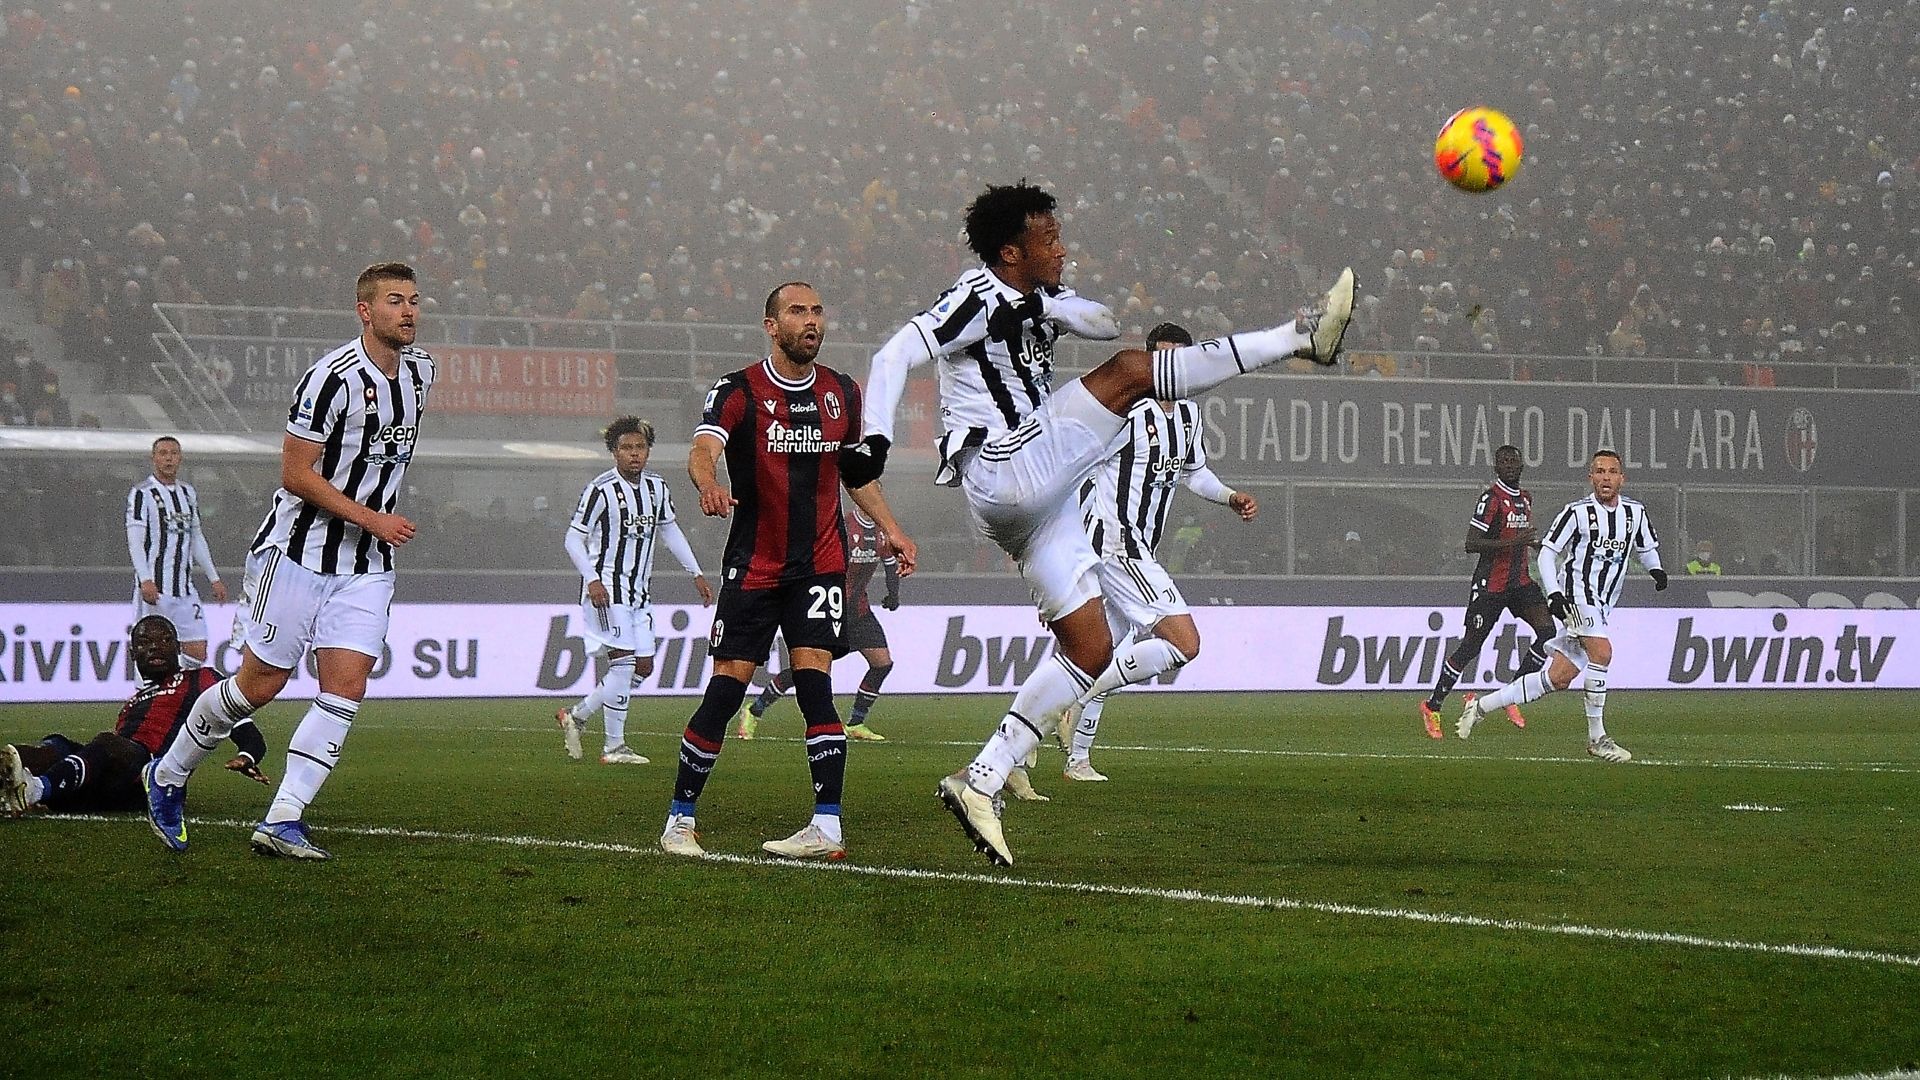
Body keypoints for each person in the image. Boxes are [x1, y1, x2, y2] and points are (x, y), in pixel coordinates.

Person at [859, 181, 1353, 865]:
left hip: (1040, 501)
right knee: (1129, 373)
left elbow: (1100, 319)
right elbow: (892, 357)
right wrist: (873, 443)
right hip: (1002, 465)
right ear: (1009, 250)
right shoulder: (974, 297)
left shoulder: (1034, 298)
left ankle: (981, 780)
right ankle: (1300, 336)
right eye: (1049, 240)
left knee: (1089, 650)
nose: (1062, 249)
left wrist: (1055, 304)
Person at [143, 262, 435, 860]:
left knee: (347, 684)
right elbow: (294, 473)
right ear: (365, 311)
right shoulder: (329, 378)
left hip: (367, 563)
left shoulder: (422, 372)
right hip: (297, 552)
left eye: (413, 301)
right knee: (260, 684)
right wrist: (371, 516)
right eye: (394, 301)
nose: (408, 311)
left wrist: (375, 526)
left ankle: (282, 818)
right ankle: (168, 776)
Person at [659, 282, 916, 862]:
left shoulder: (841, 393)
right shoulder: (738, 389)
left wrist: (893, 528)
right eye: (797, 312)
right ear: (771, 325)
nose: (811, 321)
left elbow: (856, 475)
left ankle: (827, 827)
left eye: (818, 311)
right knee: (726, 691)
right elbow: (703, 450)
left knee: (815, 684)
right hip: (753, 565)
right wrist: (709, 484)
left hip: (820, 564)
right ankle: (680, 819)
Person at [1051, 321, 1259, 784]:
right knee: (1185, 644)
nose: (1170, 368)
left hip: (1138, 545)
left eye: (1178, 359)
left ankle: (1072, 760)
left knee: (1099, 652)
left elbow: (1194, 473)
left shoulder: (1187, 415)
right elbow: (1072, 468)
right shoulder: (1126, 413)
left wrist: (1229, 496)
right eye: (1162, 357)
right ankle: (1080, 699)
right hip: (1114, 543)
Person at [1456, 449, 1666, 762]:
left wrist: (1657, 570)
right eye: (1599, 471)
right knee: (1602, 653)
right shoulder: (1577, 512)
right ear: (1590, 477)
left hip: (1604, 602)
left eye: (1611, 472)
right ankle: (1598, 738)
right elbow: (1547, 552)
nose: (1605, 477)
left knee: (1557, 678)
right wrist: (1553, 593)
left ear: (1622, 478)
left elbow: (1646, 548)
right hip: (1577, 595)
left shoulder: (1635, 513)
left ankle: (1480, 707)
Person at [554, 416, 713, 764]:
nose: (634, 454)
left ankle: (583, 719)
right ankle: (608, 742)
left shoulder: (657, 489)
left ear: (648, 451)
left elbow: (670, 532)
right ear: (614, 452)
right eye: (626, 448)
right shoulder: (601, 489)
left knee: (643, 666)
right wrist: (592, 578)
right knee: (624, 664)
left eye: (639, 447)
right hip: (608, 591)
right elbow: (573, 537)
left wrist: (696, 572)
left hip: (640, 592)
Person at [1, 617, 268, 815]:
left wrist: (247, 756)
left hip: (153, 778)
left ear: (178, 648)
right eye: (144, 642)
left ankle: (35, 790)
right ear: (132, 654)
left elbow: (246, 730)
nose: (155, 647)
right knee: (56, 745)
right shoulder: (134, 702)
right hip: (115, 780)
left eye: (164, 640)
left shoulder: (203, 679)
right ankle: (16, 790)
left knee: (108, 744)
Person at [1417, 444, 1557, 738]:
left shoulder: (1526, 499)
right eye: (1503, 461)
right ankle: (1433, 705)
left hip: (1519, 583)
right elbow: (1471, 543)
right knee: (1470, 646)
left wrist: (1532, 544)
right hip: (1490, 586)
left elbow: (1519, 537)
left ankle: (1511, 694)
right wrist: (1512, 543)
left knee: (1548, 633)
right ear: (1496, 467)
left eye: (1513, 461)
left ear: (1521, 466)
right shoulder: (1491, 498)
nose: (1508, 465)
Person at [735, 501, 900, 743]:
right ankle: (754, 710)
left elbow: (890, 566)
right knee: (808, 669)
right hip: (829, 608)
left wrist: (892, 595)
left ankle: (855, 722)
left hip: (858, 611)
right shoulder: (843, 526)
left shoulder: (881, 533)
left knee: (882, 663)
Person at [126, 435, 228, 666]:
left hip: (184, 588)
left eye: (173, 453)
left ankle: (175, 692)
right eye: (163, 453)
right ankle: (149, 697)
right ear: (154, 459)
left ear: (180, 458)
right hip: (157, 589)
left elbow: (196, 537)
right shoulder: (142, 494)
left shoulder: (187, 493)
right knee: (151, 651)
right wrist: (145, 579)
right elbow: (135, 542)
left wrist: (214, 578)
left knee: (197, 650)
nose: (169, 459)